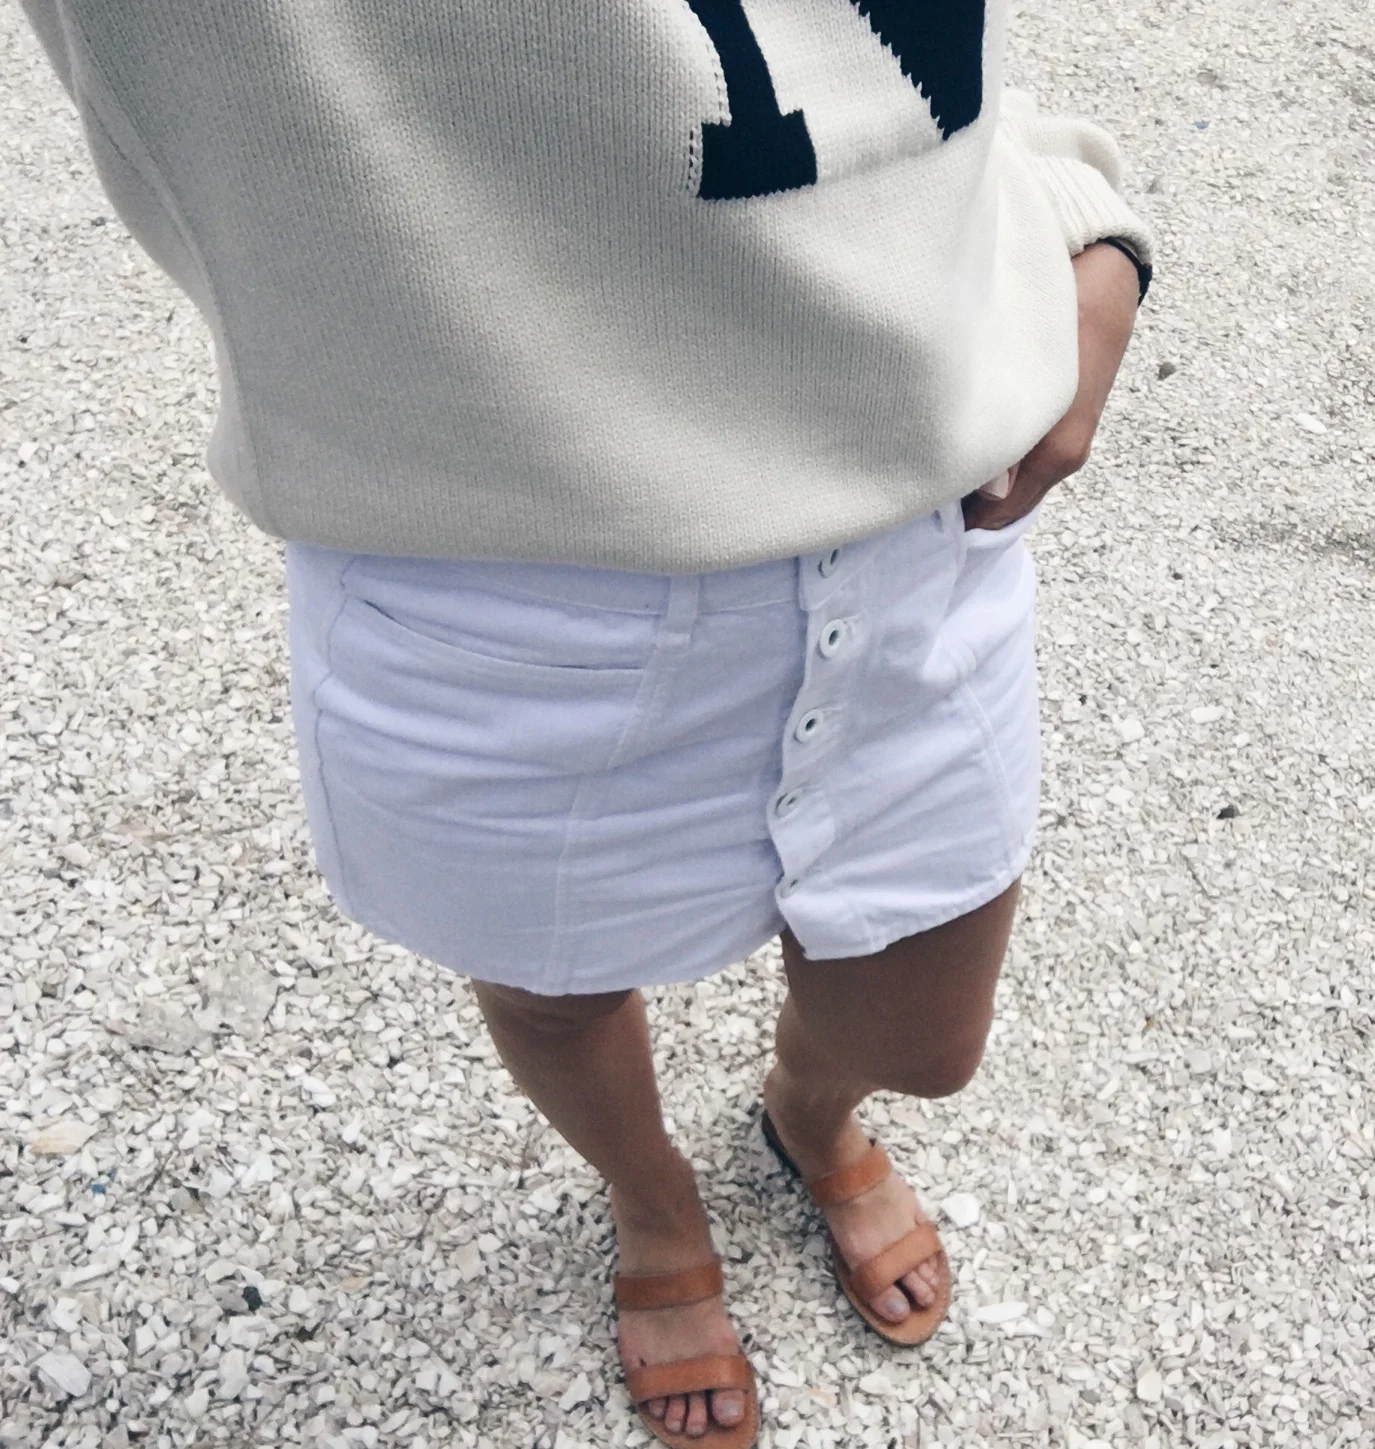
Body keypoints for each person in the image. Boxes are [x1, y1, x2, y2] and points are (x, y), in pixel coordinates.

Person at [20, 2, 1151, 1443]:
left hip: (919, 526)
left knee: (927, 1036)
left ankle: (808, 1116)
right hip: (494, 557)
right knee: (556, 988)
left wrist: (1074, 212)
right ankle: (651, 1197)